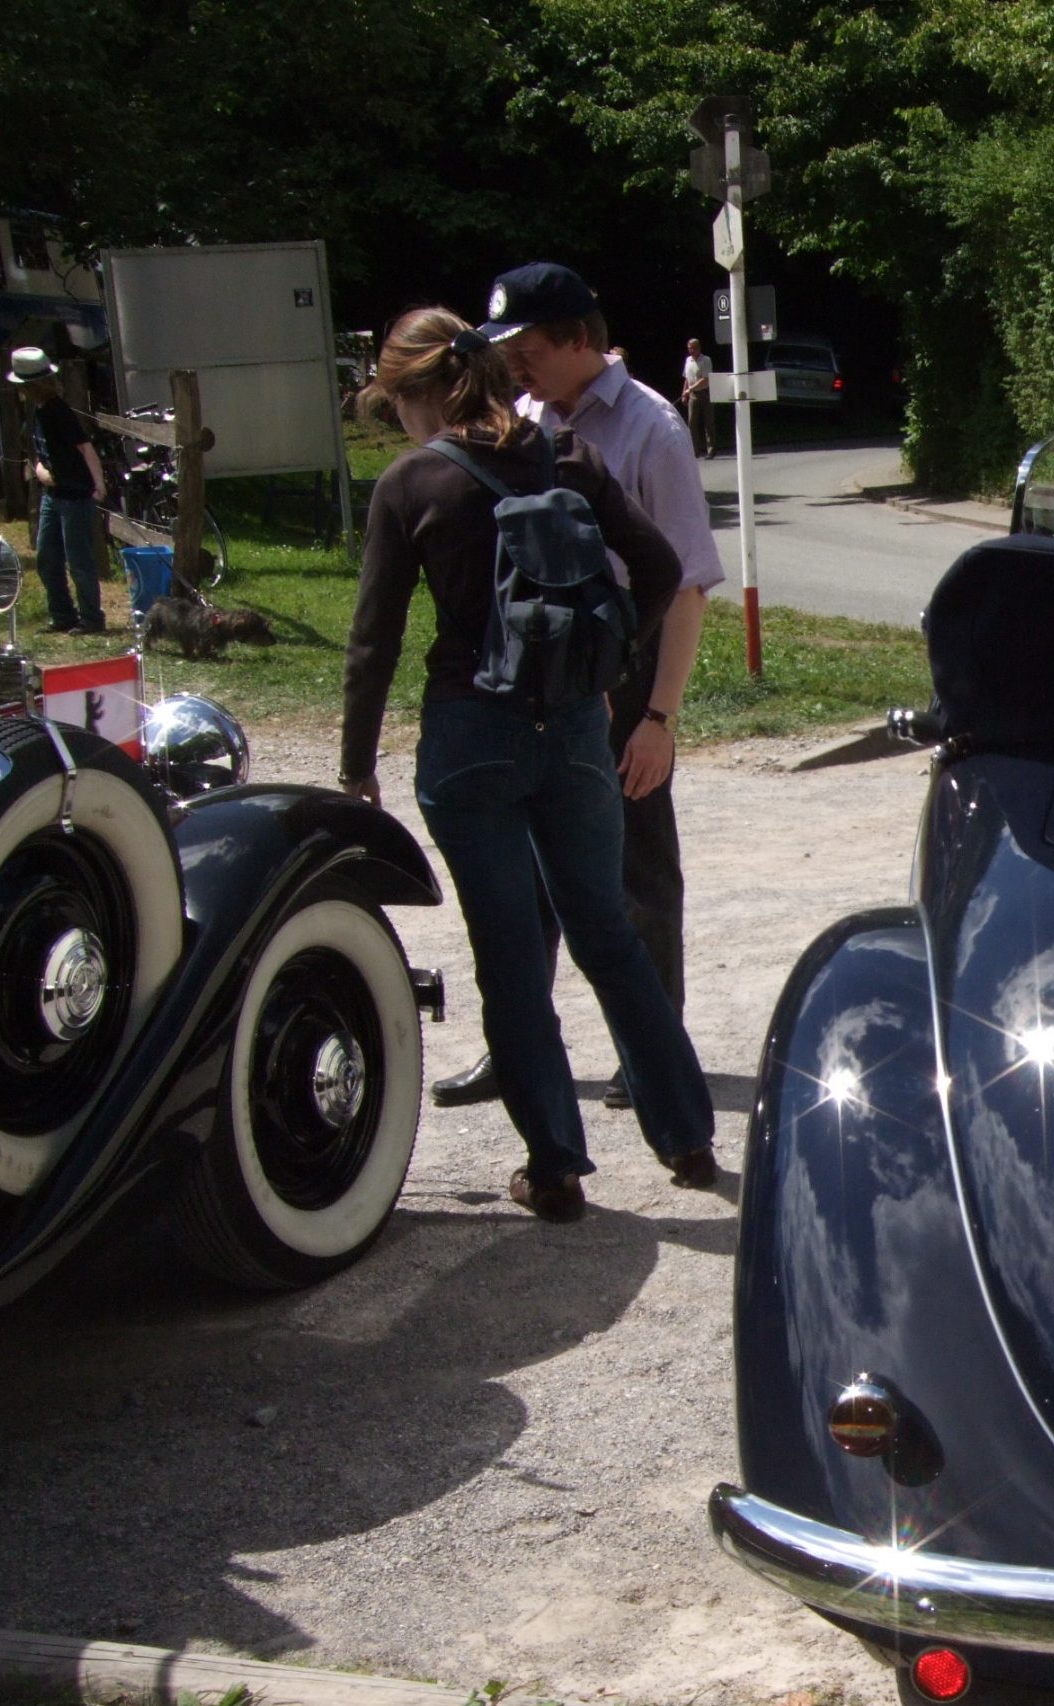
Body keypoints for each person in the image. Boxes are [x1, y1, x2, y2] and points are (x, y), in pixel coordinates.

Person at [338, 305, 721, 1221]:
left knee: (510, 955)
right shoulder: (567, 457)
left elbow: (373, 641)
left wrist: (357, 767)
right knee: (607, 933)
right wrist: (609, 672)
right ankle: (686, 1136)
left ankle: (554, 1168)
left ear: (417, 393)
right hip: (575, 728)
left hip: (471, 735)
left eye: (395, 405)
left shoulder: (410, 484)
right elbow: (660, 569)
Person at [433, 262, 725, 1112]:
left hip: (623, 671)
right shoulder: (526, 421)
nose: (512, 365)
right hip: (537, 677)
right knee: (522, 881)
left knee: (637, 876)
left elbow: (685, 585)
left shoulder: (651, 429)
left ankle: (652, 1056)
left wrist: (658, 716)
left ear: (575, 339)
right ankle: (516, 1047)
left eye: (525, 347)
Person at [9, 346, 107, 633]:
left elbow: (85, 449)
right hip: (53, 497)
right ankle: (62, 614)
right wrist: (41, 471)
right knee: (47, 557)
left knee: (79, 561)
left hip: (74, 496)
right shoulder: (38, 412)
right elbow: (42, 456)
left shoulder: (58, 412)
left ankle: (92, 618)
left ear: (33, 386)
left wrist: (98, 483)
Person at [680, 338, 713, 458]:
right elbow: (687, 379)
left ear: (699, 348)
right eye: (689, 348)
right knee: (692, 423)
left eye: (693, 348)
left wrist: (690, 388)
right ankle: (695, 451)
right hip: (693, 395)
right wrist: (684, 393)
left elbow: (705, 379)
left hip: (705, 393)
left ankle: (711, 450)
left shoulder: (706, 360)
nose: (691, 350)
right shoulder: (688, 360)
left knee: (708, 422)